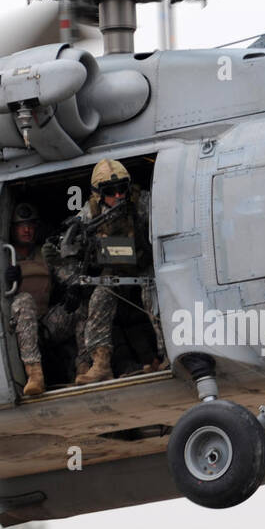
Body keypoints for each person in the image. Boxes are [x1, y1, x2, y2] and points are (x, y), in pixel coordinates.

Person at [73, 159, 167, 385]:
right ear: (98, 194)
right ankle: (101, 364)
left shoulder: (142, 203)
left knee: (153, 293)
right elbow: (70, 246)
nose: (118, 196)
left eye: (121, 189)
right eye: (110, 192)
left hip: (144, 270)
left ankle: (168, 354)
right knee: (99, 298)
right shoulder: (90, 214)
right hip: (113, 274)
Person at [4, 203, 87, 396]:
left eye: (31, 225)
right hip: (18, 328)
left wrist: (74, 286)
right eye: (21, 225)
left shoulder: (44, 254)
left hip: (46, 323)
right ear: (12, 229)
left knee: (79, 308)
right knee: (24, 300)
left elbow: (64, 273)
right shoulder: (6, 256)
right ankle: (35, 375)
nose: (27, 230)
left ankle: (84, 367)